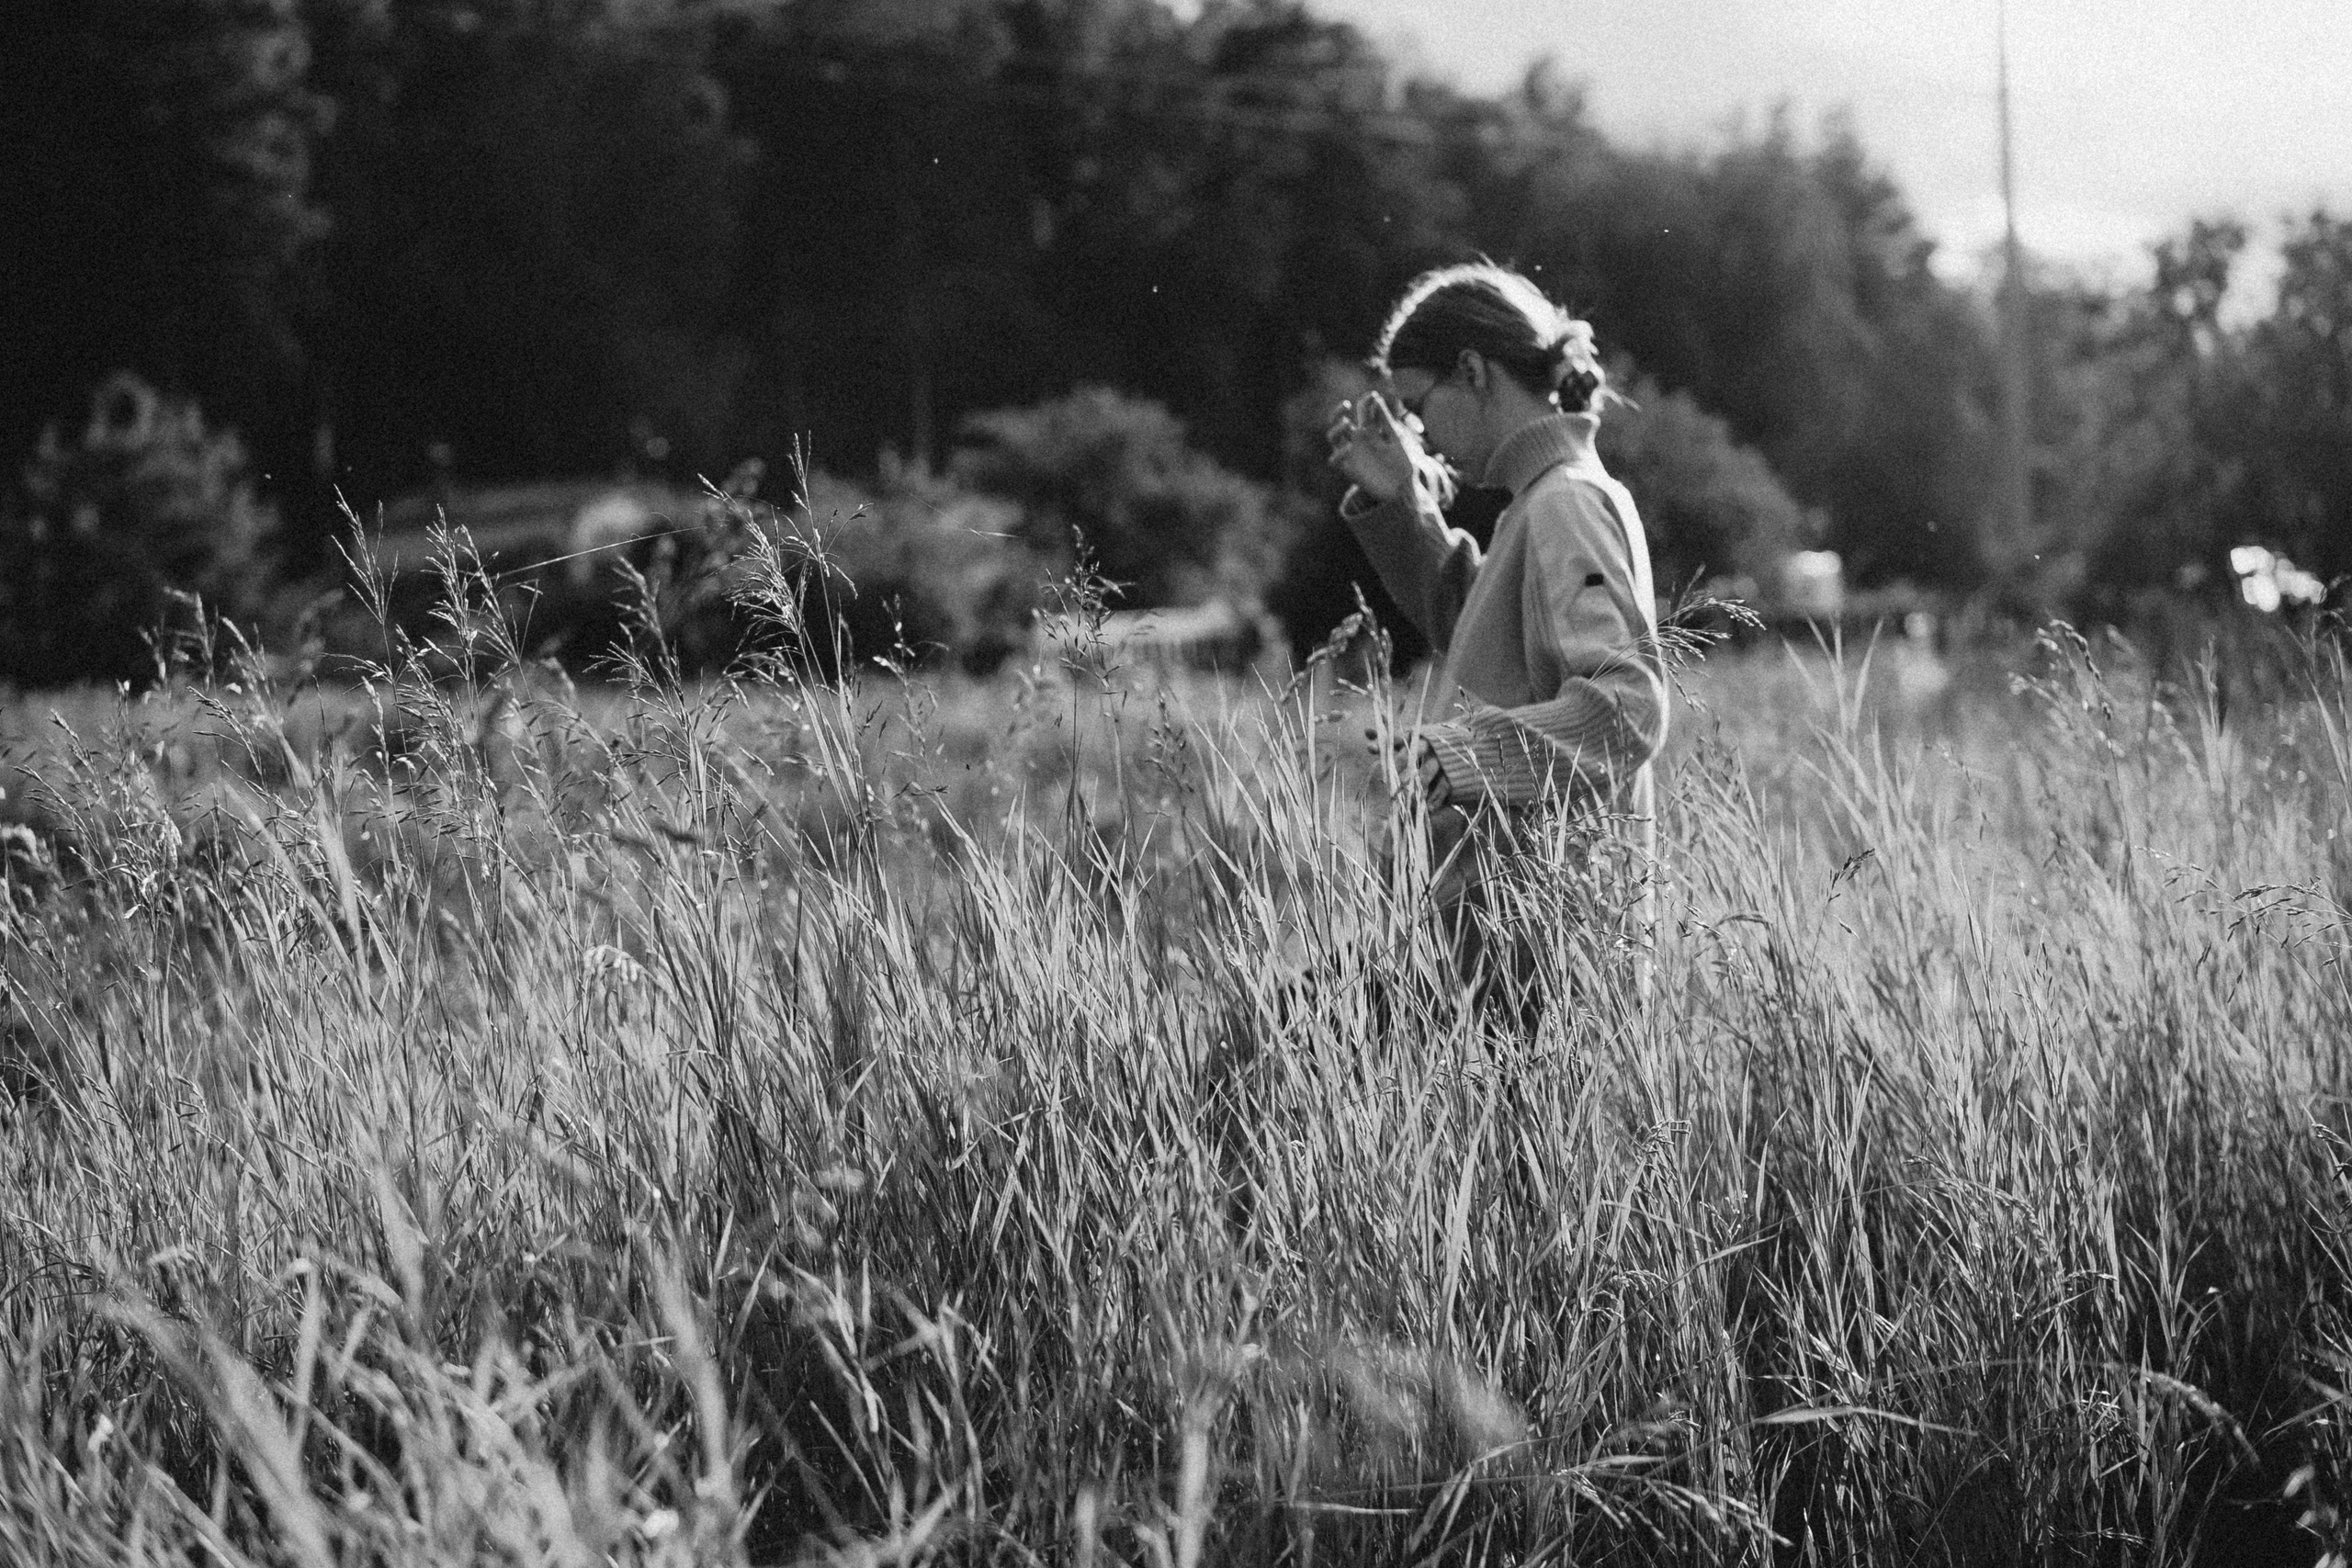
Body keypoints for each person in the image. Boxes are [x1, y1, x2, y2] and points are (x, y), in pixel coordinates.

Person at [1326, 263, 1667, 1015]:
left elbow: (1628, 708)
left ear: (1474, 371)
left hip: (1539, 961)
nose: (1425, 440)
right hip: (1499, 945)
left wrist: (1464, 754)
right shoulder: (1540, 504)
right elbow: (1481, 635)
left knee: (1261, 1060)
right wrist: (1405, 508)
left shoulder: (1566, 504)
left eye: (1418, 409)